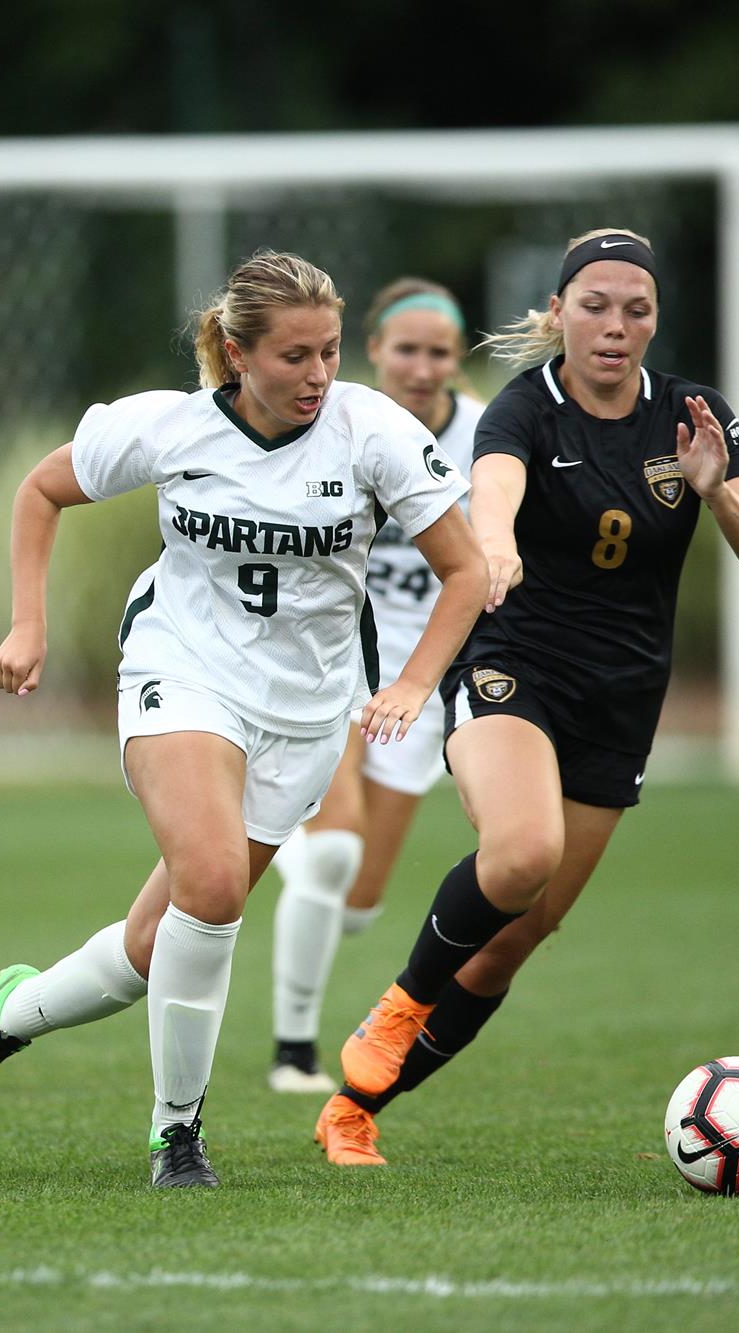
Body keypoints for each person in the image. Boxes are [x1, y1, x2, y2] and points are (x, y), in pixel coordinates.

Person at [0, 250, 487, 1188]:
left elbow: (465, 571)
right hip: (180, 673)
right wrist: (29, 621)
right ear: (236, 350)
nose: (316, 376)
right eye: (293, 356)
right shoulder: (169, 426)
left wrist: (417, 683)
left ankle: (7, 1015)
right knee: (215, 887)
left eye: (330, 354)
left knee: (154, 946)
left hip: (305, 712)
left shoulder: (372, 431)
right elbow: (40, 489)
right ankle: (176, 1134)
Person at [315, 229, 739, 1166]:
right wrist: (494, 545)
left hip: (623, 697)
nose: (616, 325)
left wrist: (716, 493)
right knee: (523, 850)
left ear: (655, 319)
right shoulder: (522, 411)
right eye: (596, 305)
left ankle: (355, 1106)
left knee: (514, 940)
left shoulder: (699, 416)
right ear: (561, 312)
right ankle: (400, 1003)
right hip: (513, 662)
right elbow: (493, 494)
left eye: (637, 309)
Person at [267, 278, 484, 1094]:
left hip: (418, 686)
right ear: (377, 354)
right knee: (336, 857)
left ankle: (270, 830)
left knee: (353, 899)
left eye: (438, 353)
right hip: (328, 666)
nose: (421, 367)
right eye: (407, 349)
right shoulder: (328, 420)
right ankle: (295, 1052)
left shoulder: (484, 440)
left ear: (456, 362)